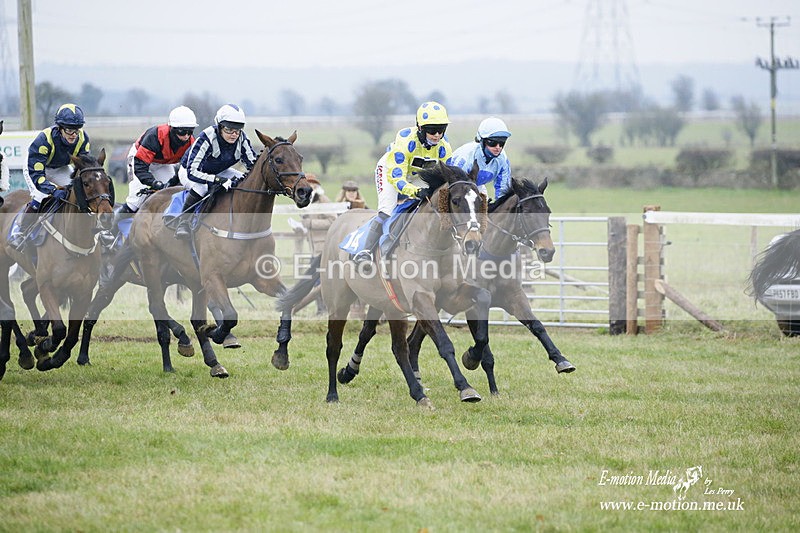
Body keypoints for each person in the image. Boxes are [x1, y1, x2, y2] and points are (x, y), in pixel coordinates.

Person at [353, 101, 453, 263]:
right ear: (420, 128)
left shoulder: (444, 147)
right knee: (386, 211)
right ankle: (366, 251)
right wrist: (415, 192)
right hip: (391, 171)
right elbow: (397, 179)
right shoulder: (406, 142)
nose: (437, 135)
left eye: (441, 130)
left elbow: (446, 176)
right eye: (432, 130)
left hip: (417, 175)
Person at [10, 103, 90, 249]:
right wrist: (53, 190)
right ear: (59, 128)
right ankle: (19, 231)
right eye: (69, 130)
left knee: (77, 192)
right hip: (36, 168)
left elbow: (83, 167)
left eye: (76, 129)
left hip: (60, 168)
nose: (73, 134)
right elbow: (38, 176)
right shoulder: (44, 140)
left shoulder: (83, 139)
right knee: (40, 195)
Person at [174, 104, 258, 240]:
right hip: (190, 171)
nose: (234, 134)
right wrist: (218, 180)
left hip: (219, 170)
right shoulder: (207, 137)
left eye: (238, 130)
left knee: (243, 179)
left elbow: (253, 167)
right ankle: (183, 222)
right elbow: (192, 172)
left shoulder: (242, 138)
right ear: (219, 126)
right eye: (229, 129)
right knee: (201, 187)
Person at [120, 106, 198, 219]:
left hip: (162, 164)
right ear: (172, 128)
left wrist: (172, 182)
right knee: (135, 202)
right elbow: (140, 167)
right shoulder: (154, 136)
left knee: (171, 193)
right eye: (182, 131)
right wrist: (154, 183)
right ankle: (113, 227)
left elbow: (186, 169)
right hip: (139, 160)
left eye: (190, 131)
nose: (186, 136)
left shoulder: (191, 143)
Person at [450, 117, 512, 200]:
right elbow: (456, 189)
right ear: (482, 141)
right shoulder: (466, 158)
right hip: (453, 186)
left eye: (502, 143)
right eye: (492, 142)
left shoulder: (502, 158)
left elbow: (503, 190)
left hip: (477, 185)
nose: (498, 147)